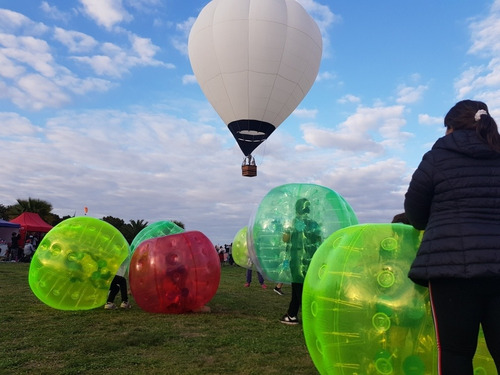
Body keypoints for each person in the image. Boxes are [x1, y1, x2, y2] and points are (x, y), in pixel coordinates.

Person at [404, 99, 500, 374]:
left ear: (450, 128)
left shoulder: (436, 158)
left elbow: (415, 211)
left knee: (455, 352)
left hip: (451, 270)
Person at [280, 198, 322, 325]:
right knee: (301, 287)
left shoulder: (292, 223)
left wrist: (286, 230)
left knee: (299, 287)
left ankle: (311, 317)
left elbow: (285, 239)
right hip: (311, 260)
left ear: (297, 209)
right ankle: (291, 314)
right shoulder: (314, 223)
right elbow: (319, 240)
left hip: (297, 261)